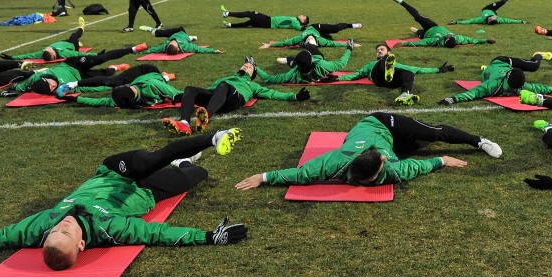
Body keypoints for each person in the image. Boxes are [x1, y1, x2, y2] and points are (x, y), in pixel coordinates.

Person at [0, 133, 248, 269]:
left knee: (146, 161)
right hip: (147, 190)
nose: (64, 224)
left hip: (112, 171)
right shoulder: (109, 229)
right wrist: (209, 237)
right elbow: (156, 235)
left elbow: (1, 238)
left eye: (57, 230)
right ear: (82, 245)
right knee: (197, 174)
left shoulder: (40, 228)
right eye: (67, 233)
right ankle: (184, 162)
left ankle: (210, 137)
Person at [234, 112, 503, 190]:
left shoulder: (332, 162)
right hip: (382, 136)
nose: (385, 160)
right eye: (383, 161)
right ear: (374, 176)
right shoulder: (391, 171)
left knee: (433, 133)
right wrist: (440, 160)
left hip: (380, 122)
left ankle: (479, 141)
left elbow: (301, 173)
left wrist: (263, 176)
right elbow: (415, 166)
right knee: (422, 147)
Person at [162, 59, 309, 135]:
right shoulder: (225, 78)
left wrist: (294, 96)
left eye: (250, 67)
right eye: (244, 65)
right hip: (217, 97)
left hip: (234, 98)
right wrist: (184, 96)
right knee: (190, 89)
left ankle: (206, 116)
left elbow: (272, 93)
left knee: (224, 85)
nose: (246, 67)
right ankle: (185, 124)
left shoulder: (252, 85)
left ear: (253, 74)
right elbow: (208, 90)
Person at [437, 53, 552, 105]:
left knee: (533, 67)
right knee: (534, 66)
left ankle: (538, 55)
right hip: (501, 61)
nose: (514, 91)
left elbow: (543, 88)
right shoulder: (492, 85)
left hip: (502, 69)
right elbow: (473, 93)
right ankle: (538, 55)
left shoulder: (521, 85)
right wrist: (453, 99)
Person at [338, 44, 455, 105]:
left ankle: (404, 94)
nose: (379, 51)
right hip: (378, 78)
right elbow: (357, 74)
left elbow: (416, 69)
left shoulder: (394, 62)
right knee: (384, 61)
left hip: (391, 82)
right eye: (377, 50)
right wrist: (338, 77)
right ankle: (387, 71)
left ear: (389, 52)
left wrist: (437, 70)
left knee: (408, 73)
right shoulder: (371, 64)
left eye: (381, 49)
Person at [14, 46, 141, 95]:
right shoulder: (62, 88)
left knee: (99, 59)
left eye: (50, 85)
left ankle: (132, 49)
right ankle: (114, 67)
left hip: (72, 64)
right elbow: (86, 88)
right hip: (81, 77)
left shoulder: (37, 78)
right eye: (52, 89)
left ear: (46, 78)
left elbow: (20, 86)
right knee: (105, 76)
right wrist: (110, 87)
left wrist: (12, 88)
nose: (54, 86)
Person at [390, 0, 496, 47]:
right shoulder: (458, 38)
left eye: (449, 36)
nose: (450, 34)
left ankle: (416, 31)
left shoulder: (434, 40)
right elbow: (473, 40)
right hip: (433, 26)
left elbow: (420, 43)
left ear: (445, 39)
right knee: (418, 17)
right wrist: (486, 40)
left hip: (426, 34)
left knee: (418, 33)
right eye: (451, 35)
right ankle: (400, 1)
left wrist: (403, 43)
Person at [56, 65, 177, 108]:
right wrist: (70, 98)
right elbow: (96, 102)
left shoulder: (151, 87)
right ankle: (165, 77)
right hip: (146, 79)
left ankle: (72, 84)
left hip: (146, 70)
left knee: (112, 82)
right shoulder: (125, 100)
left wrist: (71, 97)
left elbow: (98, 102)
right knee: (112, 83)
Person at [254, 40, 354, 84]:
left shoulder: (293, 73)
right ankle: (289, 59)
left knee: (292, 61)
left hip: (298, 65)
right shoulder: (322, 65)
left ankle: (288, 60)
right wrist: (349, 48)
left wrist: (254, 67)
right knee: (311, 44)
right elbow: (341, 63)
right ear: (312, 60)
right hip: (317, 56)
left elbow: (268, 78)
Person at [447, 0, 528, 25]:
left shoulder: (481, 19)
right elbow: (510, 20)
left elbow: (469, 21)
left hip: (487, 8)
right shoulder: (499, 19)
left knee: (503, 2)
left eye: (491, 19)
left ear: (488, 20)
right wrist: (521, 21)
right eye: (494, 18)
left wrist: (456, 22)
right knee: (503, 1)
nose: (492, 18)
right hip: (493, 10)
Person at [139, 26, 224, 55]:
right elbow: (199, 49)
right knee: (160, 32)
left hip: (180, 31)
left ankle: (153, 30)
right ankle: (190, 38)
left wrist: (214, 51)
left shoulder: (165, 46)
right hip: (177, 35)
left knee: (158, 33)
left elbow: (153, 49)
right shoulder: (185, 46)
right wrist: (214, 51)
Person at [260, 26, 356, 49]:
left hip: (312, 27)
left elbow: (285, 42)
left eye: (308, 41)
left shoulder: (300, 39)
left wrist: (270, 44)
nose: (310, 39)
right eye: (312, 41)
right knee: (330, 38)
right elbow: (334, 44)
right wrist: (350, 44)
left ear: (305, 43)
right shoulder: (321, 41)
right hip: (318, 31)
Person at [221, 5, 309, 30]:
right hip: (268, 22)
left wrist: (307, 27)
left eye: (303, 16)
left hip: (268, 22)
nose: (301, 15)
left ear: (303, 20)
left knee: (250, 13)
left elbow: (299, 28)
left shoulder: (296, 22)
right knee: (248, 23)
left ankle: (227, 13)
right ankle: (229, 25)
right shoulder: (295, 20)